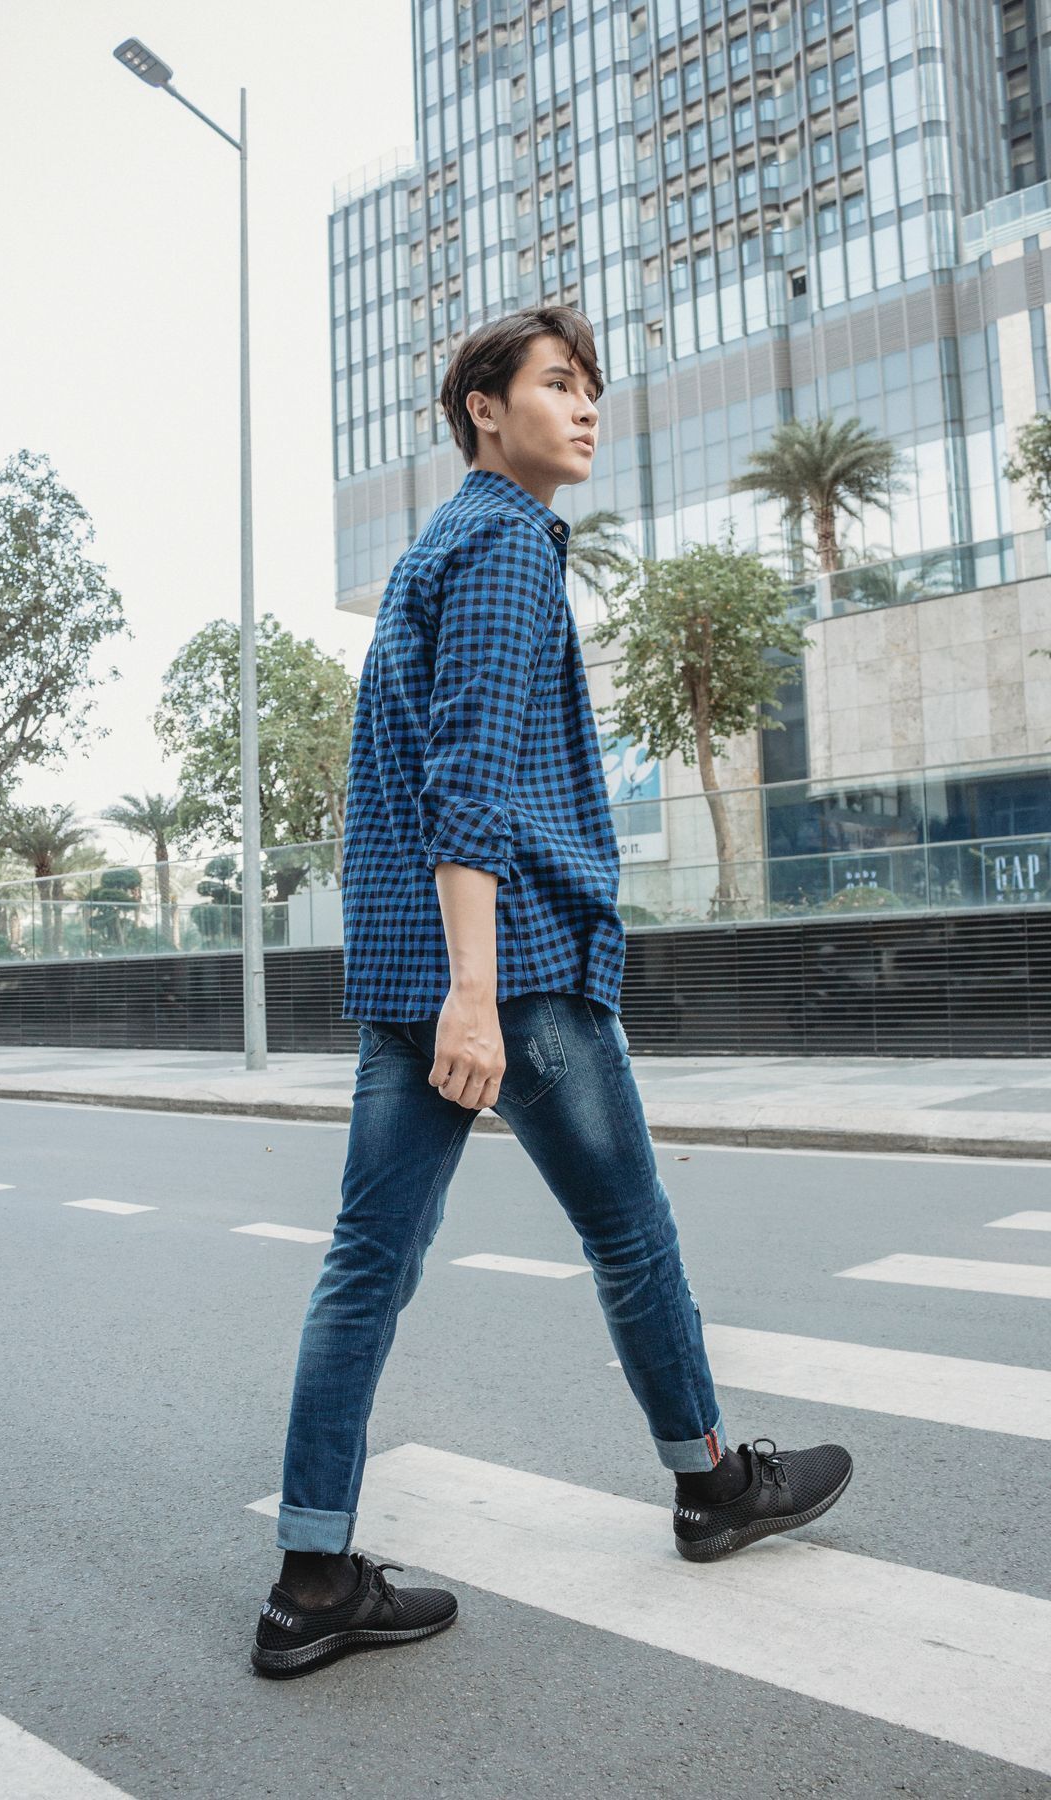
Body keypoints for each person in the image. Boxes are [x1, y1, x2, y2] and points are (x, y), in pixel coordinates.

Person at [251, 305, 852, 1681]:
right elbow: (465, 788)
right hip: (510, 973)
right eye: (559, 386)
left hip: (422, 974)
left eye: (594, 391)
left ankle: (312, 1577)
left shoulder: (431, 554)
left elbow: (403, 788)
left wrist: (438, 991)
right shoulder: (510, 548)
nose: (587, 411)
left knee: (363, 1270)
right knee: (632, 1238)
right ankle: (712, 1487)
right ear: (484, 408)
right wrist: (478, 997)